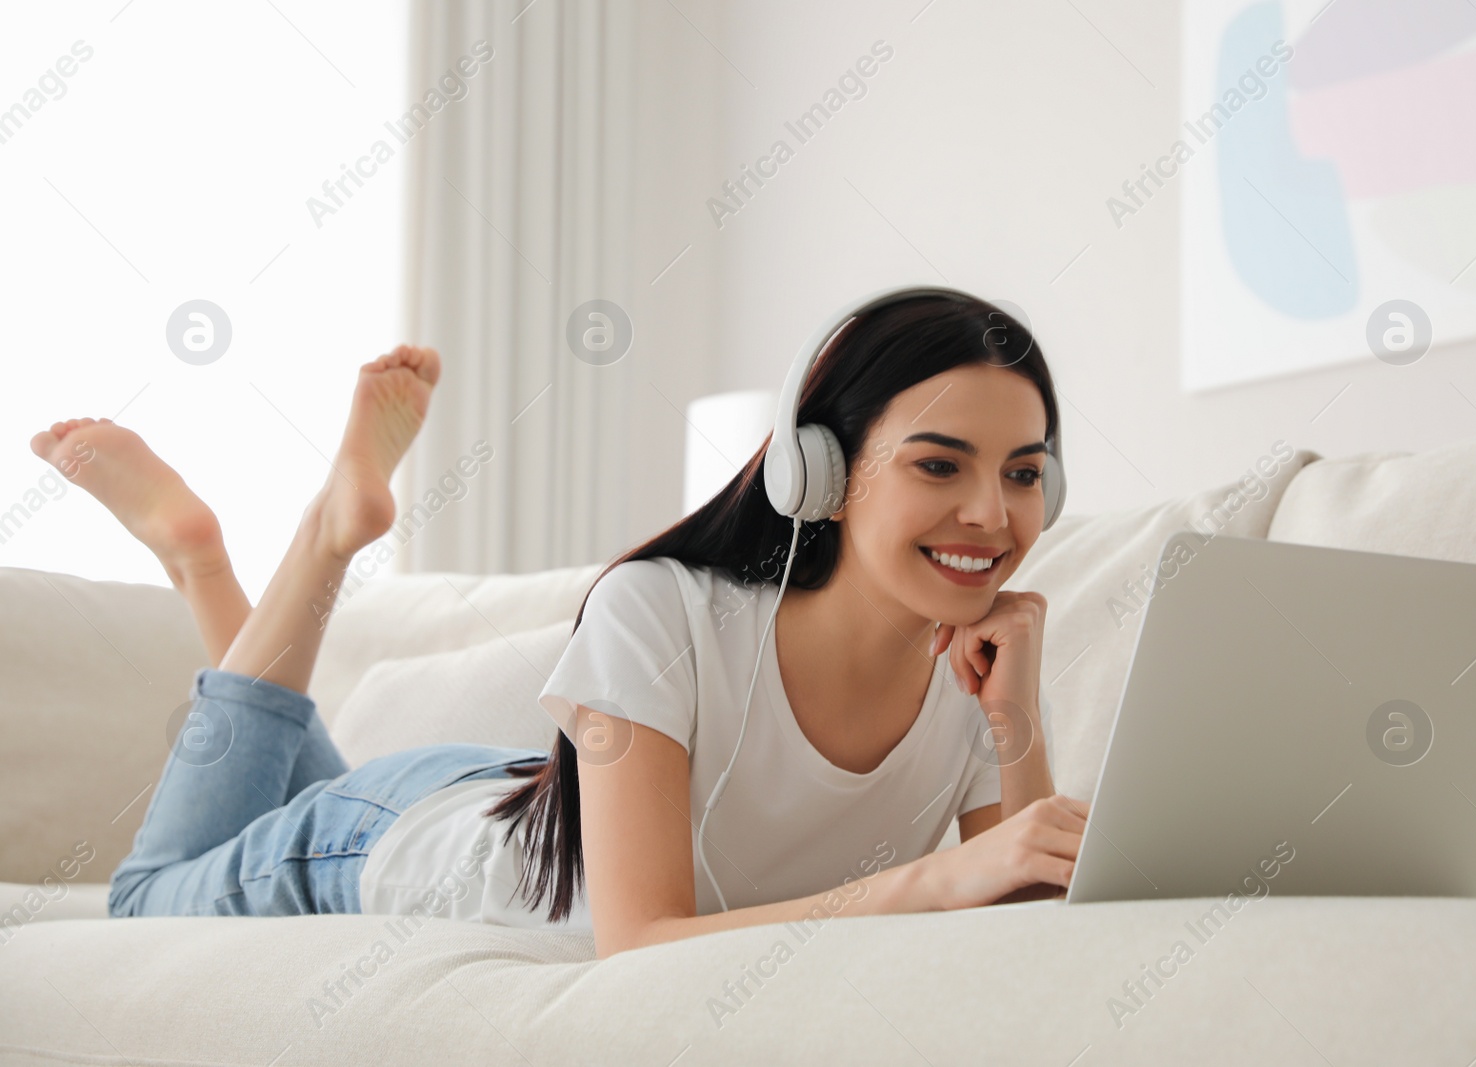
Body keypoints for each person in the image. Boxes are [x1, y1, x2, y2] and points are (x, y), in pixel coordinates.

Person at [34, 291, 1089, 958]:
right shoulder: (663, 611)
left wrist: (1015, 722)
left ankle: (238, 558)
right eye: (939, 463)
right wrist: (929, 877)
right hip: (397, 834)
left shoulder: (978, 671)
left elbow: (1010, 943)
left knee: (285, 783)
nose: (991, 514)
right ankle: (228, 546)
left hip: (528, 794)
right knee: (147, 900)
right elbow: (640, 940)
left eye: (1024, 472)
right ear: (815, 469)